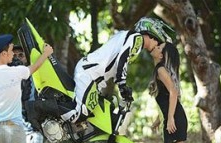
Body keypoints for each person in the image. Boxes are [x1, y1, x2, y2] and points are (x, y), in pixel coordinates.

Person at [32, 17, 173, 123]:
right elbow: (122, 60)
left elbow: (117, 61)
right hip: (89, 72)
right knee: (80, 114)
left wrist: (122, 88)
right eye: (156, 41)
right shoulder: (136, 39)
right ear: (150, 34)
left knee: (96, 115)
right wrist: (122, 85)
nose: (156, 46)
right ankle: (39, 106)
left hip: (93, 76)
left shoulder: (127, 37)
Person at [13, 47, 47, 143]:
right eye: (15, 55)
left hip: (33, 125)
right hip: (14, 125)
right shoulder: (10, 76)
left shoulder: (35, 74)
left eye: (21, 55)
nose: (18, 58)